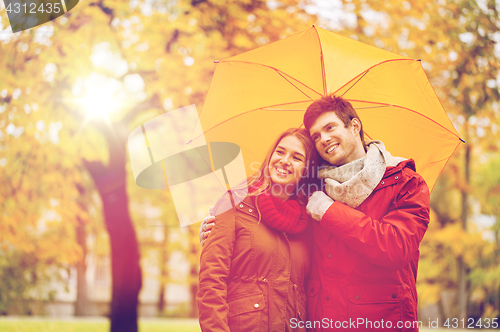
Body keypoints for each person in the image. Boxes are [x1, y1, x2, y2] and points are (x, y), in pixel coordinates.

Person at [200, 95, 430, 332]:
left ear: (354, 126)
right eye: (316, 136)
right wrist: (219, 229)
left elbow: (396, 247)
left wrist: (329, 210)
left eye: (330, 127)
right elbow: (270, 240)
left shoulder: (404, 183)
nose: (324, 139)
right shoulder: (314, 192)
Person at [197, 128, 318, 332]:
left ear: (307, 170)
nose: (285, 160)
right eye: (280, 152)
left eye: (297, 157)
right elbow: (212, 280)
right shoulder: (234, 202)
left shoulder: (309, 221)